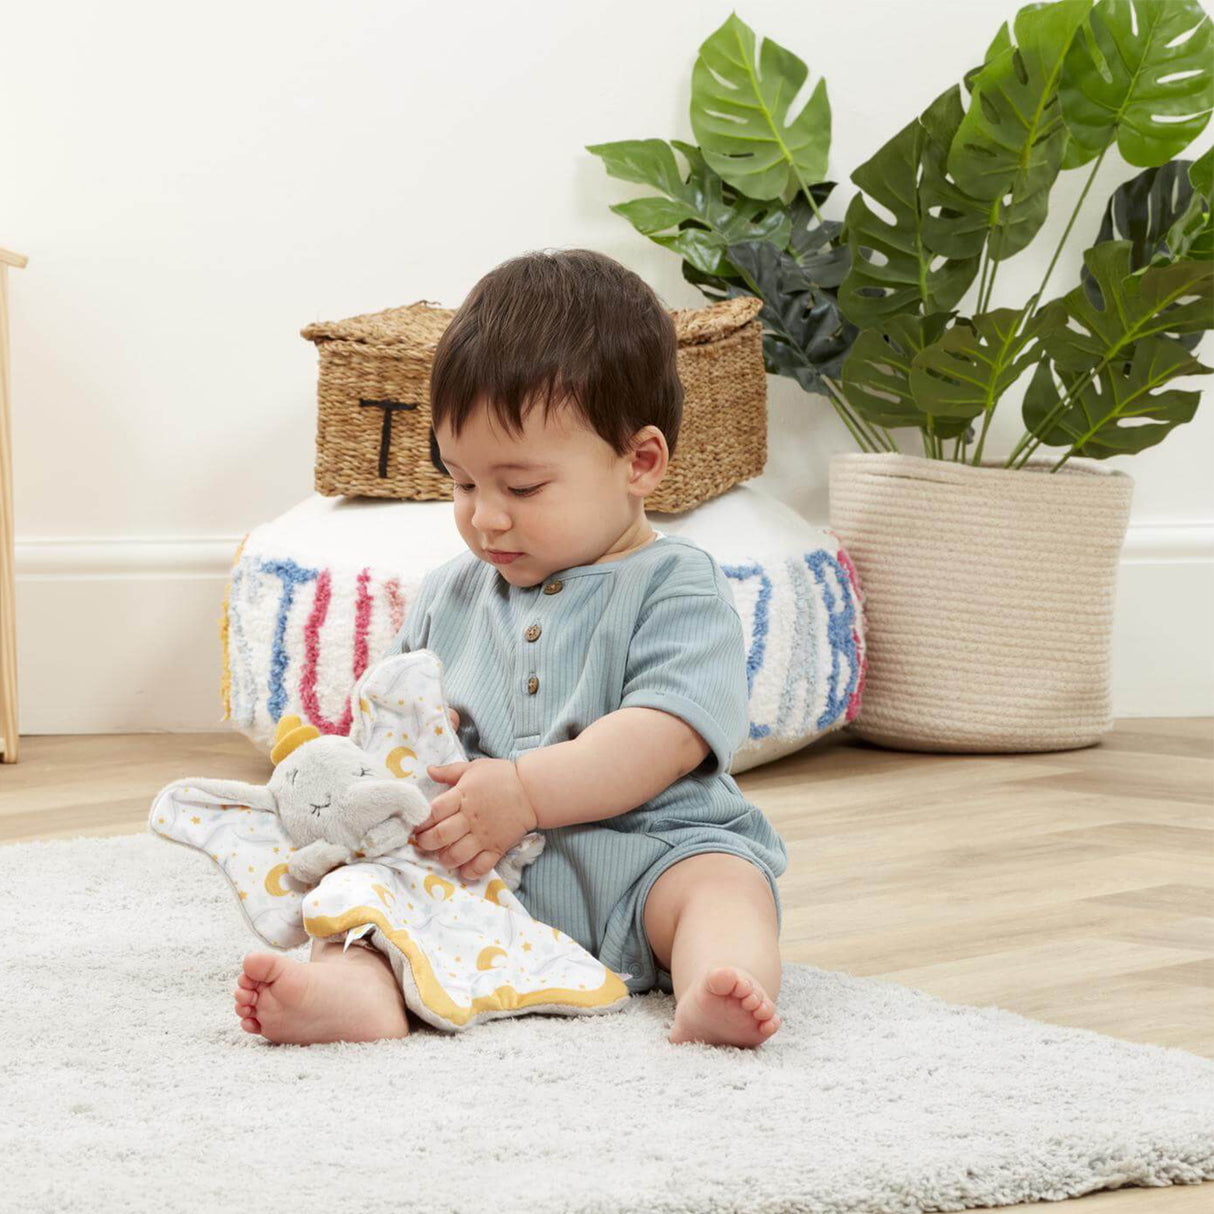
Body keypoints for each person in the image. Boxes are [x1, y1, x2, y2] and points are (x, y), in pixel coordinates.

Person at [232, 248, 788, 1047]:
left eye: (520, 488)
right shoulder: (449, 597)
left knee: (725, 887)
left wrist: (525, 791)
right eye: (461, 483)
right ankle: (356, 991)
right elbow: (396, 735)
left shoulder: (676, 587)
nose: (485, 517)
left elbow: (664, 734)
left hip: (647, 857)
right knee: (367, 893)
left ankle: (714, 984)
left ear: (640, 462)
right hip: (481, 882)